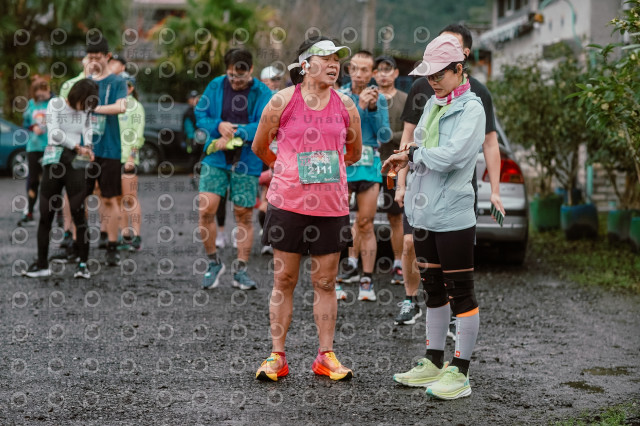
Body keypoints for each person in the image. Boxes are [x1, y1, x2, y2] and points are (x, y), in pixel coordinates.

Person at [252, 36, 361, 382]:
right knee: (284, 279)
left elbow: (354, 152)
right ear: (304, 64)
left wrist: (327, 168)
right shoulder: (282, 101)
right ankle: (277, 356)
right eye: (325, 58)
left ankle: (325, 356)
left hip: (331, 205)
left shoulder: (346, 105)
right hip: (288, 203)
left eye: (337, 60)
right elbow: (260, 146)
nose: (333, 65)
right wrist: (284, 167)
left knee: (326, 282)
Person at [383, 34, 485, 400]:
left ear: (459, 69)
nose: (432, 80)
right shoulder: (433, 104)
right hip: (424, 212)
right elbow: (423, 146)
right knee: (433, 290)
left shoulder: (472, 109)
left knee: (461, 293)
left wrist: (414, 154)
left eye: (439, 74)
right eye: (429, 75)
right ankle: (433, 361)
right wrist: (407, 154)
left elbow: (454, 156)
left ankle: (460, 371)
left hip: (454, 215)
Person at [393, 23, 505, 327]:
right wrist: (401, 180)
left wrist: (495, 191)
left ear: (462, 57)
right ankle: (411, 302)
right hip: (421, 193)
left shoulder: (477, 98)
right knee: (413, 252)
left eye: (439, 71)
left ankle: (458, 329)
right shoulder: (426, 91)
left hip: (455, 195)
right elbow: (410, 138)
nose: (433, 79)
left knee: (455, 275)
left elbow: (487, 144)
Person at [195, 48, 273, 290]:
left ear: (251, 70)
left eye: (241, 76)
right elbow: (200, 114)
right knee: (206, 209)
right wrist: (218, 125)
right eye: (231, 75)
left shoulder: (263, 92)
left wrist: (238, 131)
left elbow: (267, 122)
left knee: (243, 214)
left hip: (247, 159)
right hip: (216, 157)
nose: (235, 81)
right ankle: (213, 263)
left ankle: (241, 270)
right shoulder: (216, 85)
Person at [24, 79, 99, 279]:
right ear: (76, 95)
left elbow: (87, 128)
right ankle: (42, 264)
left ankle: (83, 264)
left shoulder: (85, 110)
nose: (85, 108)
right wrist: (77, 147)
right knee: (46, 215)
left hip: (75, 163)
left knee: (79, 214)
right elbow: (55, 133)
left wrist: (88, 146)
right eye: (84, 102)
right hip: (55, 160)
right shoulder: (55, 104)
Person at [336, 50, 391, 302]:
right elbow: (340, 131)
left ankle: (366, 280)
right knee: (337, 222)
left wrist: (373, 108)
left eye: (365, 70)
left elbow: (384, 135)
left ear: (373, 73)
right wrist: (359, 106)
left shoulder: (380, 99)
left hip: (369, 165)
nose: (359, 74)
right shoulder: (341, 96)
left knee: (366, 223)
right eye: (355, 69)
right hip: (344, 164)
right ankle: (337, 277)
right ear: (349, 70)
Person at [84, 36, 128, 266]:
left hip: (109, 148)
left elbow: (121, 106)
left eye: (97, 57)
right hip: (84, 149)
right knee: (79, 198)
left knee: (110, 198)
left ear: (107, 56)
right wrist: (86, 75)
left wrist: (96, 108)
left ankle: (112, 245)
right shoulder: (84, 81)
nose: (93, 61)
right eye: (89, 57)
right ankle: (78, 245)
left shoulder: (117, 81)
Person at [373, 55, 408, 287]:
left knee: (395, 216)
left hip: (392, 168)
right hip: (367, 166)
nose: (384, 74)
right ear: (374, 74)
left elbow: (411, 132)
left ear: (395, 73)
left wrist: (389, 136)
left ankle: (398, 263)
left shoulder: (405, 99)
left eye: (388, 70)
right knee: (361, 218)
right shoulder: (366, 98)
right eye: (379, 70)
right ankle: (354, 265)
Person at [117, 73, 145, 251]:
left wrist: (131, 157)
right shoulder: (115, 105)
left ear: (131, 88)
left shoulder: (136, 107)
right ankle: (125, 235)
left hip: (128, 159)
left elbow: (138, 134)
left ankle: (136, 236)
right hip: (114, 158)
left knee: (130, 198)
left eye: (125, 86)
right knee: (118, 198)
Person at [19, 77, 52, 226]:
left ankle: (56, 215)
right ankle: (29, 212)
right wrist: (34, 128)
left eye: (42, 91)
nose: (40, 95)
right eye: (37, 92)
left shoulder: (54, 103)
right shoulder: (31, 104)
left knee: (52, 182)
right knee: (33, 181)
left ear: (48, 89)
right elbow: (26, 123)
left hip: (50, 147)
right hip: (34, 146)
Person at [184, 90, 202, 190]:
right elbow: (187, 127)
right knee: (192, 158)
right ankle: (191, 179)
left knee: (201, 158)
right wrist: (192, 138)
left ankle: (200, 179)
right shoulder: (188, 112)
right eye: (192, 98)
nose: (195, 100)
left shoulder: (201, 110)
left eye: (196, 98)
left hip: (202, 138)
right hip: (192, 139)